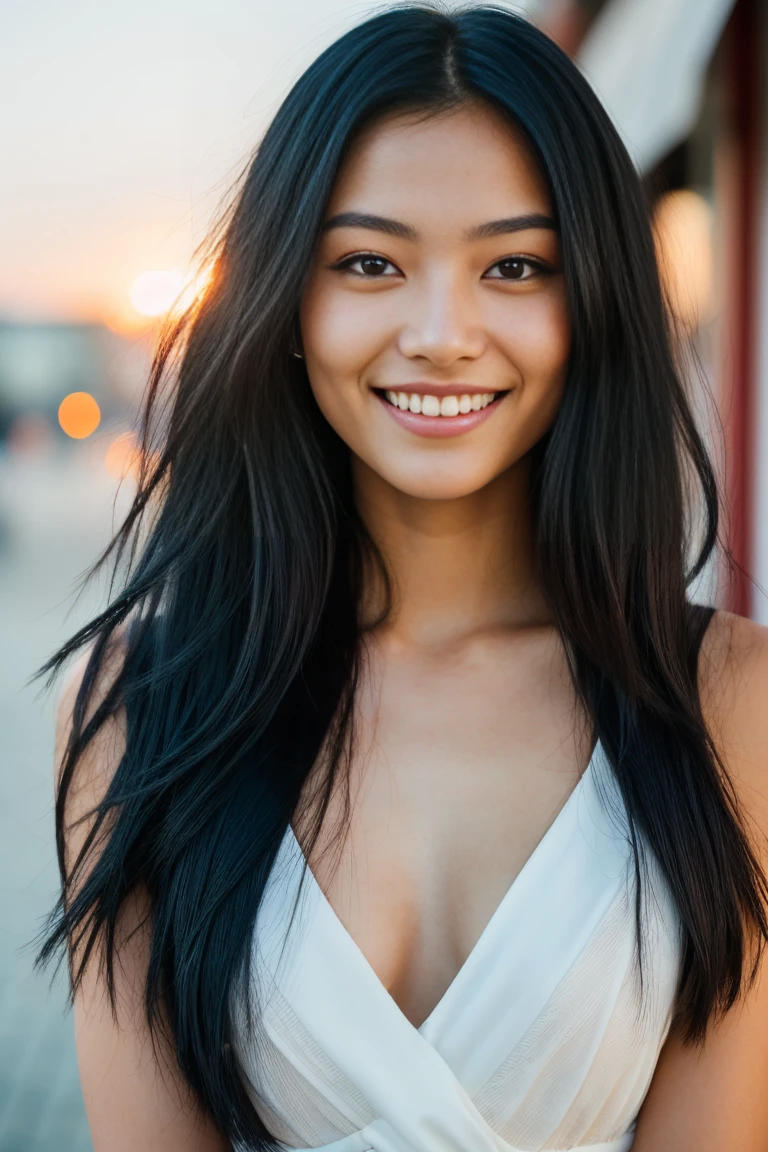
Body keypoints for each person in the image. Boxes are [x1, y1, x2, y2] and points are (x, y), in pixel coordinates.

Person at [37, 4, 768, 1150]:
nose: (441, 332)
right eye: (370, 262)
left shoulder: (730, 698)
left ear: (593, 309)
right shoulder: (140, 711)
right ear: (287, 298)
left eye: (516, 265)